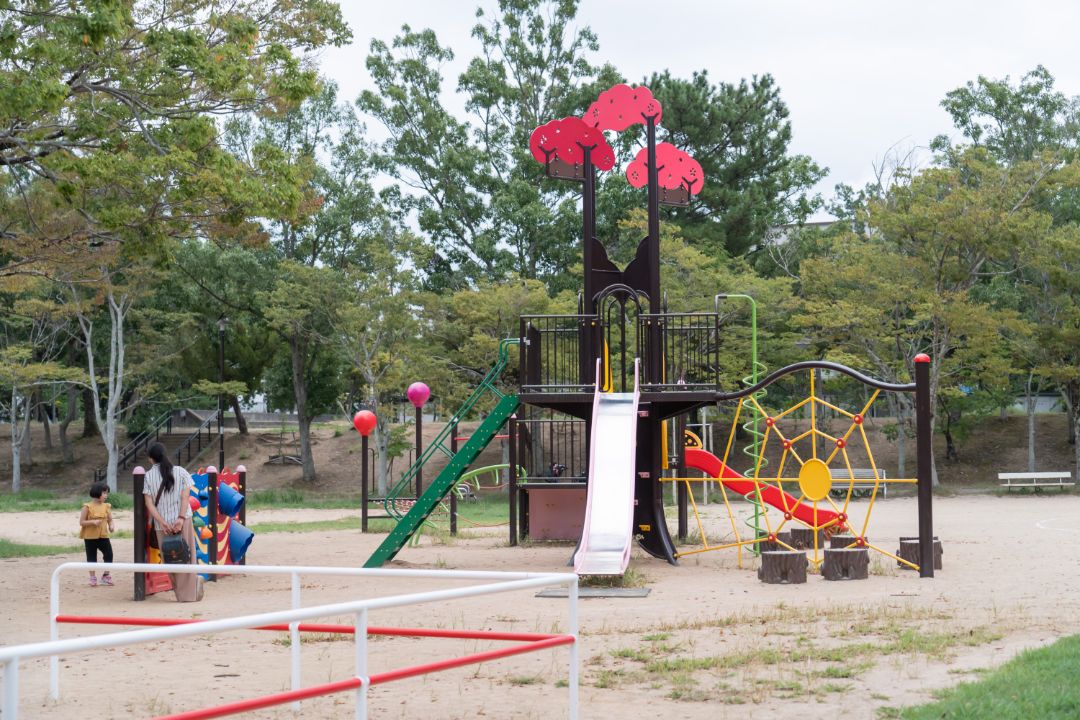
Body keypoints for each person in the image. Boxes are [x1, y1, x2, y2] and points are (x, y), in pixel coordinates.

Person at [142, 442, 203, 602]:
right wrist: (181, 519)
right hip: (183, 520)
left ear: (150, 459)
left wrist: (162, 522)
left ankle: (180, 594)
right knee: (187, 556)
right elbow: (185, 497)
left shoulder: (148, 476)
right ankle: (189, 593)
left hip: (162, 525)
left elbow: (148, 503)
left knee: (170, 557)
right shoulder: (180, 471)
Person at [79, 482, 115, 586]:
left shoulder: (106, 506)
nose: (106, 495)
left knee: (109, 554)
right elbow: (81, 522)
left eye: (107, 493)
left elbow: (110, 520)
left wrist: (111, 526)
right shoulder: (87, 507)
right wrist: (92, 522)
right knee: (91, 557)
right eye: (104, 493)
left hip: (103, 536)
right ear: (97, 493)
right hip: (90, 537)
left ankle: (106, 576)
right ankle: (92, 577)